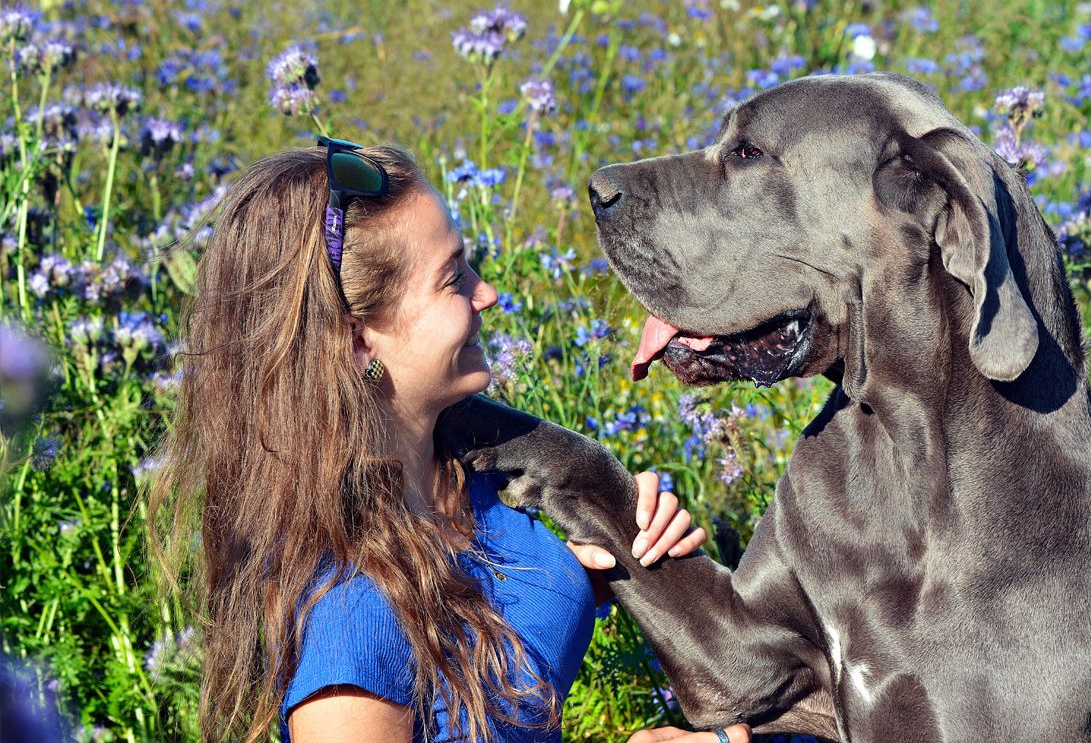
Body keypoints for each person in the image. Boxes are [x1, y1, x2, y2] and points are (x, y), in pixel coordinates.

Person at [151, 140, 750, 743]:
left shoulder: (471, 470)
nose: (486, 293)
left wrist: (608, 550)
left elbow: (485, 617)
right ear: (357, 342)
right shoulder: (353, 625)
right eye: (452, 279)